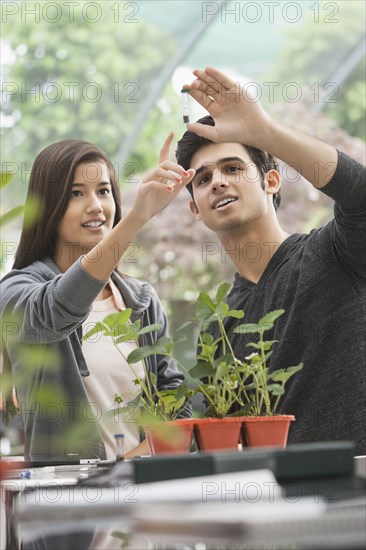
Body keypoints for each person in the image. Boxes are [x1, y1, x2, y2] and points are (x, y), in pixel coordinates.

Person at [173, 67, 365, 454]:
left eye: (232, 168)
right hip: (284, 505)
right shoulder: (219, 329)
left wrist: (262, 131)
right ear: (195, 208)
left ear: (271, 181)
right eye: (203, 179)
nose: (218, 183)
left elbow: (359, 193)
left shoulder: (335, 253)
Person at [1, 135, 195, 461]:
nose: (96, 205)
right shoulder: (17, 290)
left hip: (144, 490)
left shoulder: (141, 301)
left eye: (103, 191)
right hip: (67, 500)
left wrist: (127, 468)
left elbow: (177, 402)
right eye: (76, 193)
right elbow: (56, 311)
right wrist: (137, 217)